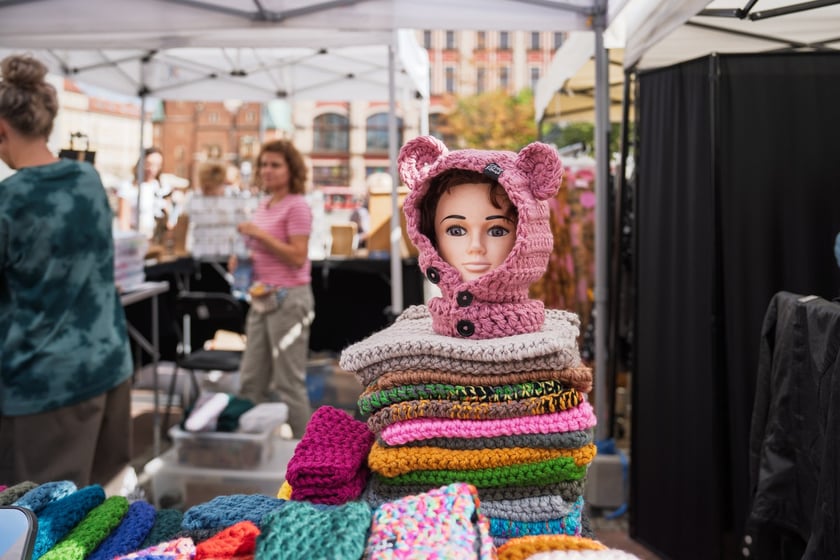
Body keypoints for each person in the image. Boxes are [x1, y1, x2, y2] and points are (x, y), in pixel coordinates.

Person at [0, 54, 134, 487]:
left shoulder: (10, 200)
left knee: (39, 518)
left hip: (44, 386)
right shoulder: (88, 180)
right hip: (107, 367)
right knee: (101, 510)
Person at [230, 139, 315, 438]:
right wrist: (243, 260)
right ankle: (252, 448)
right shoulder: (264, 205)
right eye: (264, 164)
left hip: (289, 299)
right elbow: (265, 252)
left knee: (288, 383)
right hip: (262, 297)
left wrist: (259, 235)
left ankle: (309, 453)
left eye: (275, 165)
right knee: (251, 380)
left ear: (291, 170)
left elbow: (297, 257)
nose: (267, 170)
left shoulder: (297, 206)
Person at [117, 146, 171, 240]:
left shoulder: (163, 188)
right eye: (148, 164)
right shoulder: (129, 187)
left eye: (157, 165)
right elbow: (124, 220)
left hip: (156, 239)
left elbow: (169, 218)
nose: (152, 169)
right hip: (135, 238)